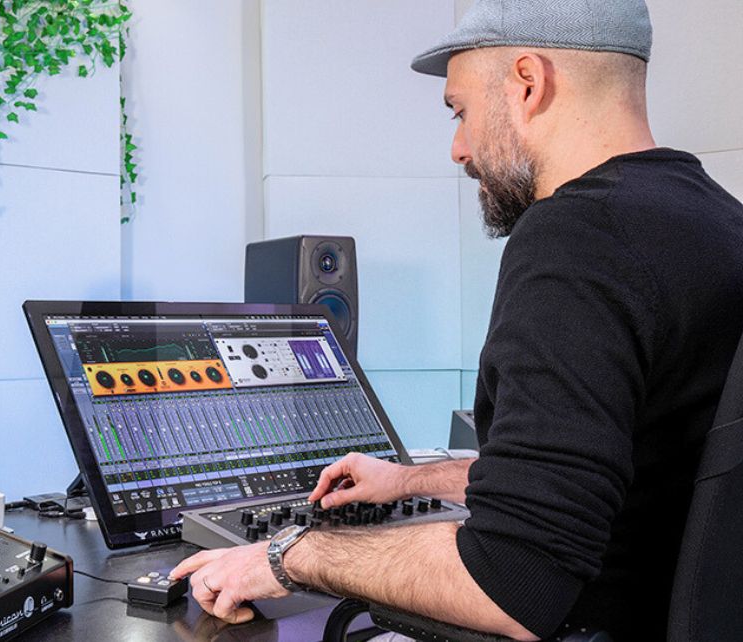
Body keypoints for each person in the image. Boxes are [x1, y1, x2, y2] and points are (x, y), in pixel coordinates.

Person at [171, 0, 743, 639]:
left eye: (461, 111)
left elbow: (515, 582)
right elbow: (606, 471)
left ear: (528, 83)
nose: (458, 149)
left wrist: (289, 555)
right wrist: (410, 481)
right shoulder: (718, 222)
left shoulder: (575, 239)